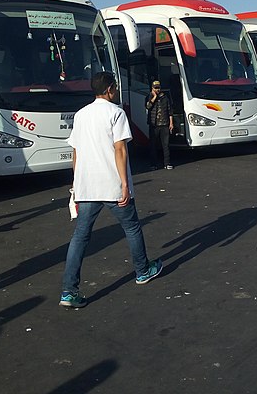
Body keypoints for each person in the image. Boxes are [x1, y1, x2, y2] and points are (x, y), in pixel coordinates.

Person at [60, 72, 162, 308]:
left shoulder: (81, 115)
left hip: (87, 186)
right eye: (114, 87)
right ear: (109, 89)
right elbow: (120, 150)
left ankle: (68, 291)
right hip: (112, 184)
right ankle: (142, 270)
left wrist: (76, 183)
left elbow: (75, 151)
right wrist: (125, 184)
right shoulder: (116, 113)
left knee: (80, 237)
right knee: (132, 227)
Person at [145, 80, 174, 169]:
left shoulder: (165, 98)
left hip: (164, 123)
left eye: (158, 88)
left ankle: (167, 163)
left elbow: (170, 110)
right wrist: (154, 97)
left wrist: (171, 123)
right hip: (154, 124)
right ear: (152, 88)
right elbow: (148, 106)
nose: (157, 89)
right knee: (153, 145)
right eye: (155, 88)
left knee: (166, 145)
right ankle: (153, 164)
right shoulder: (148, 97)